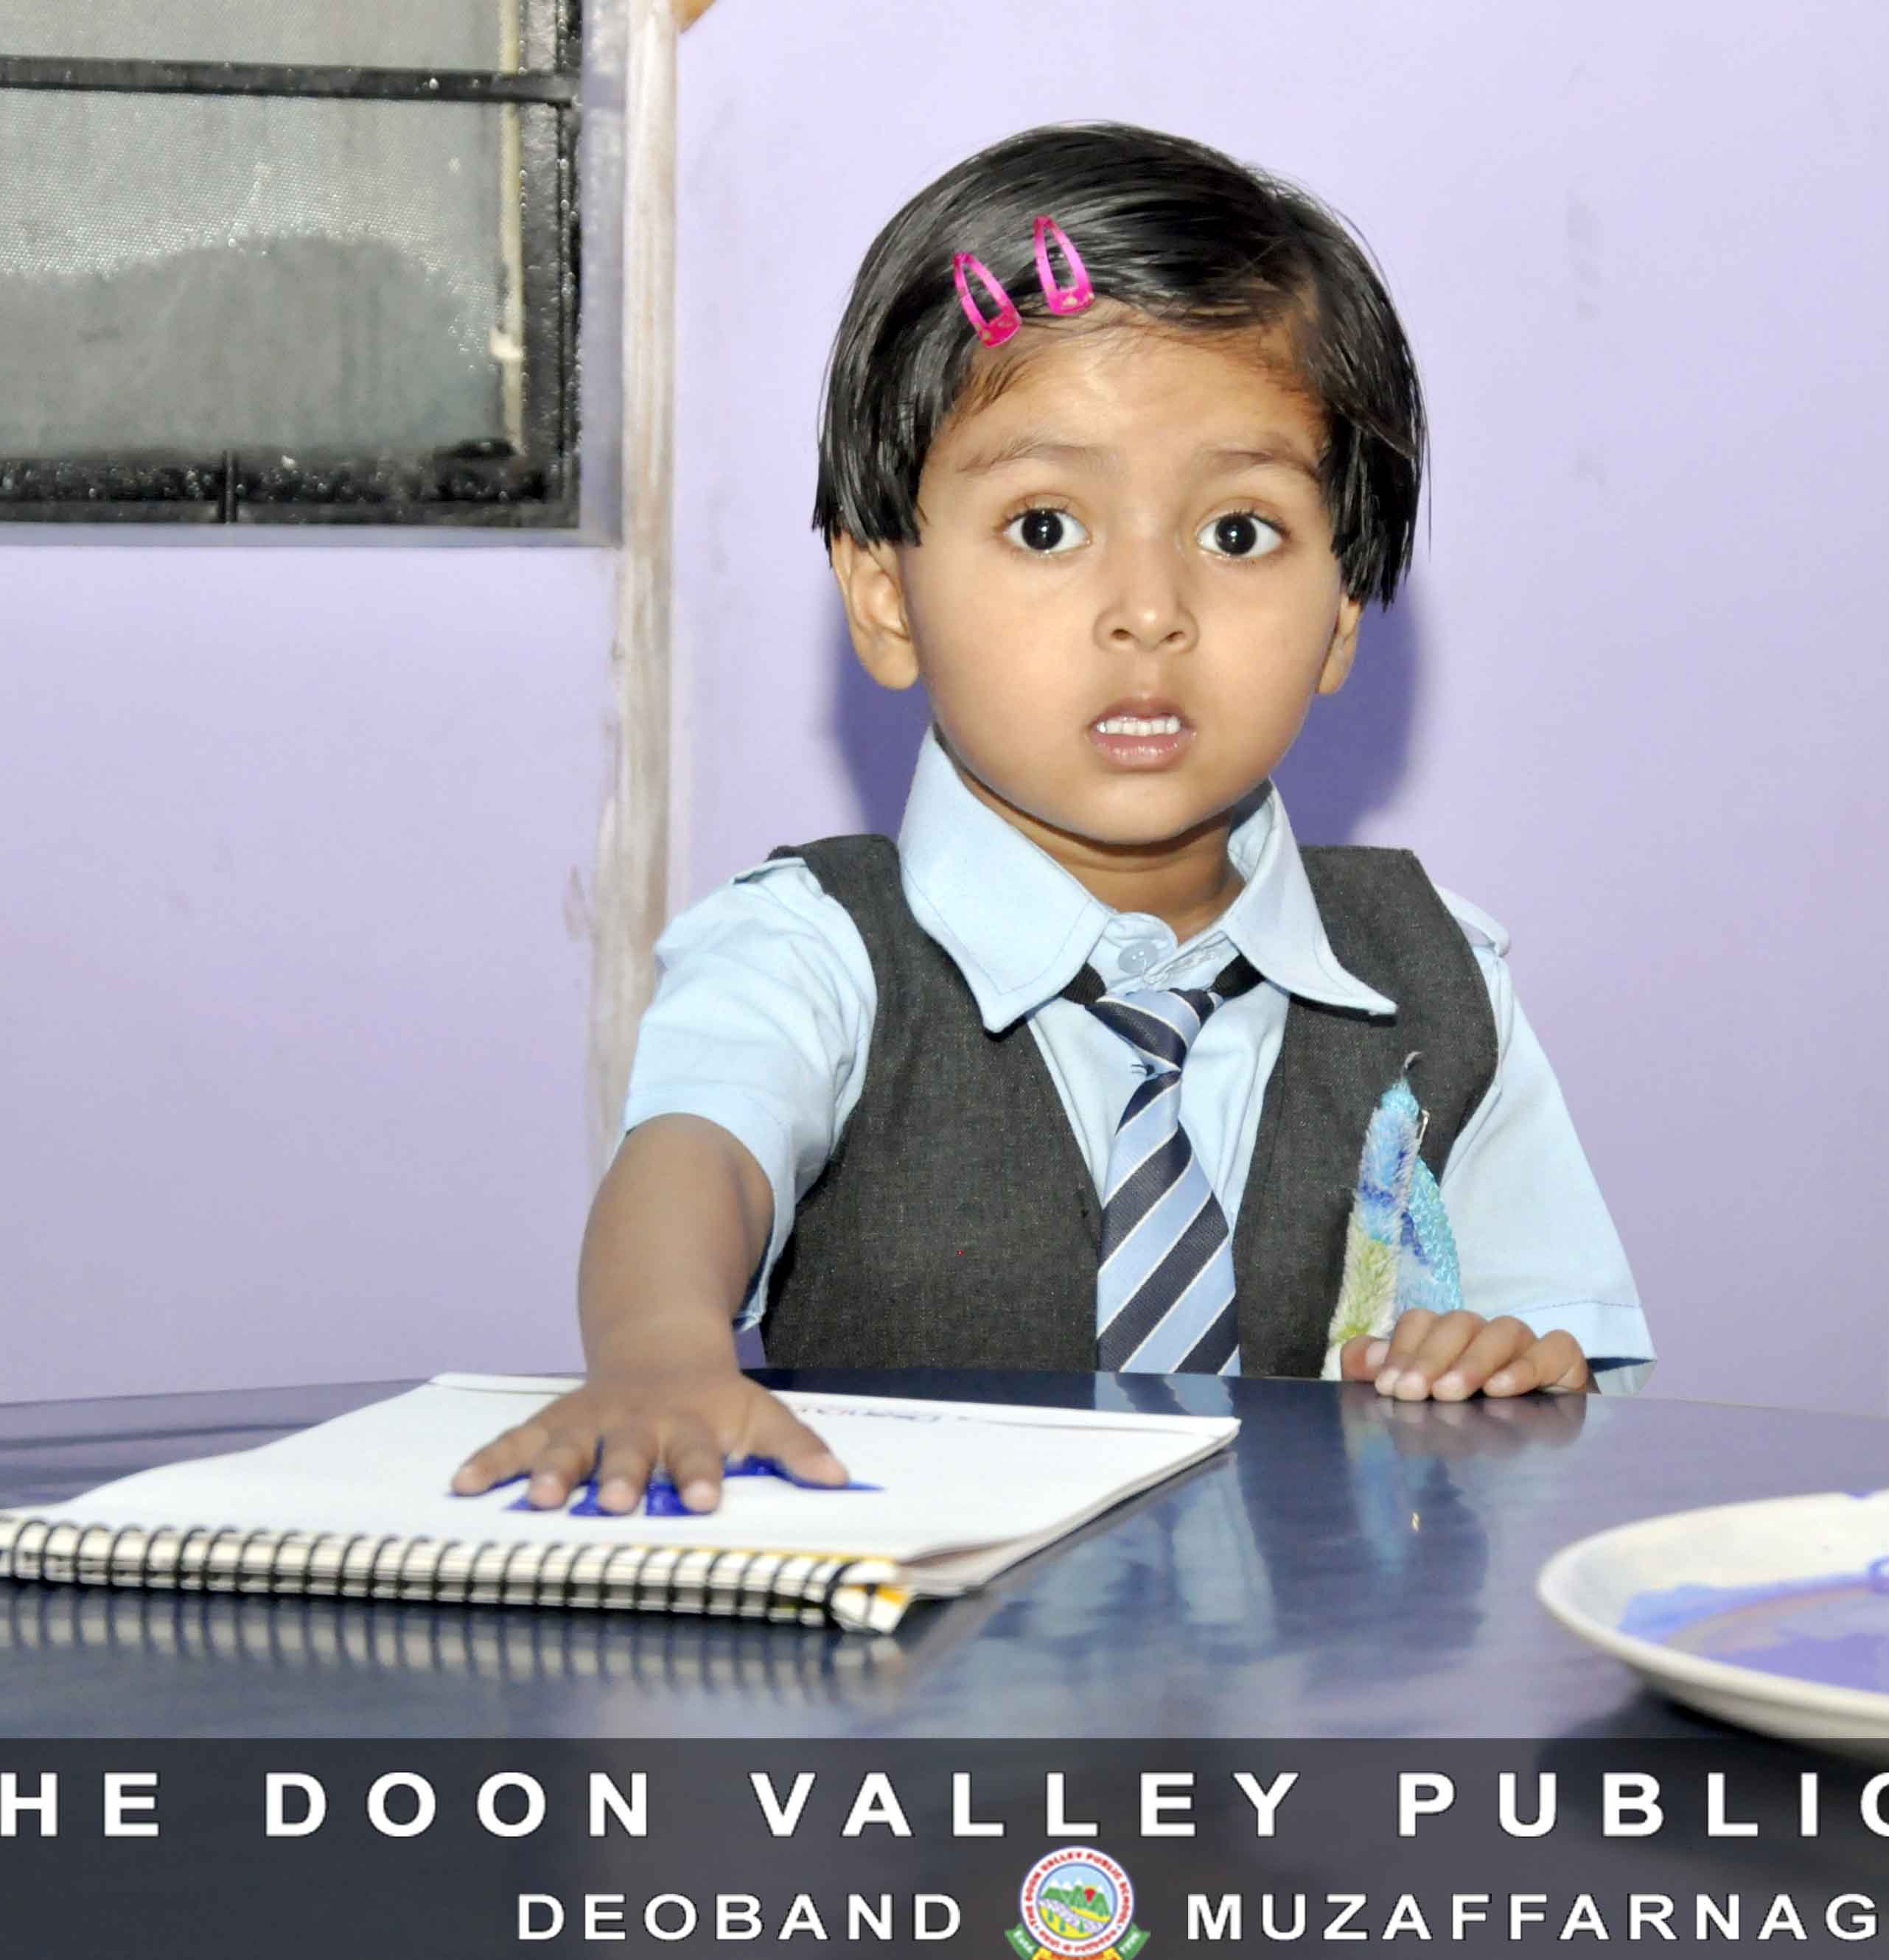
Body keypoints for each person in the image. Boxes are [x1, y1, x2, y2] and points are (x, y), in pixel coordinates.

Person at [453, 122, 1649, 1515]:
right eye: (1044, 527)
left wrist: (1506, 1370)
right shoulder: (811, 954)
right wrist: (662, 1355)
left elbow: (1567, 1372)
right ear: (886, 595)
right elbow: (698, 1156)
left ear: (1342, 613)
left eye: (1239, 532)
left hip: (1326, 1651)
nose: (1150, 610)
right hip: (911, 1640)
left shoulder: (1444, 979)